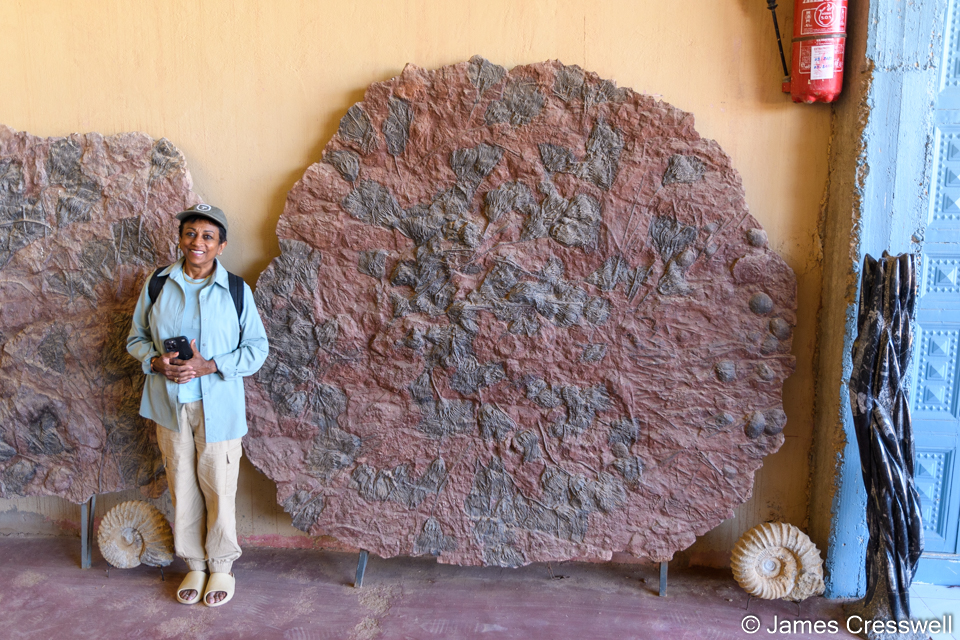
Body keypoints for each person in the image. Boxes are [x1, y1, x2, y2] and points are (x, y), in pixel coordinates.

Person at [126, 203, 269, 607]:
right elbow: (136, 338)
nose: (197, 242)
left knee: (219, 487)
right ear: (180, 239)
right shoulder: (158, 283)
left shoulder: (236, 290)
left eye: (208, 236)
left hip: (218, 409)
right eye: (190, 233)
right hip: (169, 407)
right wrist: (155, 361)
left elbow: (257, 349)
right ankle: (194, 564)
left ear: (221, 246)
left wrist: (212, 365)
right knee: (182, 486)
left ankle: (221, 566)